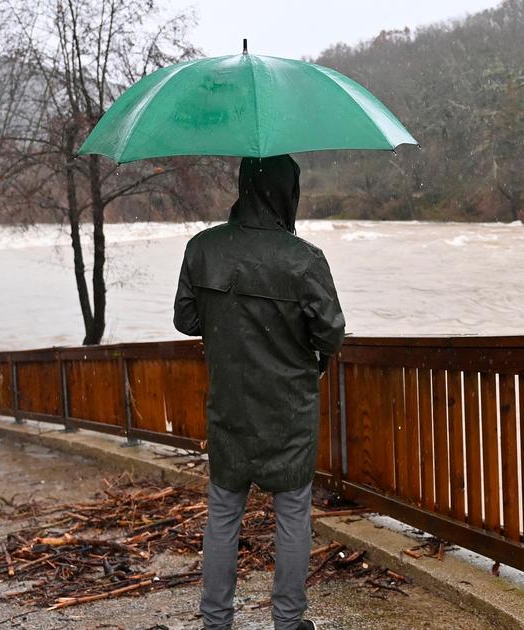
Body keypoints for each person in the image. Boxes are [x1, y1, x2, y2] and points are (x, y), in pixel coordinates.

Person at [174, 154, 345, 630]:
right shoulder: (304, 259)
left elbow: (186, 319)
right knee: (293, 515)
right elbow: (331, 333)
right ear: (288, 193)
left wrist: (227, 322)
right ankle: (288, 624)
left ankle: (216, 622)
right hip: (288, 408)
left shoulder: (202, 249)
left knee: (224, 513)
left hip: (229, 404)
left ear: (244, 186)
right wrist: (307, 357)